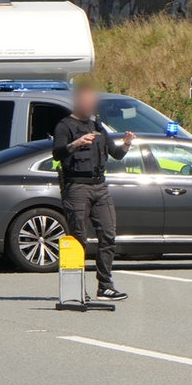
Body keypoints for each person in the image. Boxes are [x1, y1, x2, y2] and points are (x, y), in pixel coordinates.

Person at [52, 83, 136, 301]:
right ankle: (77, 288)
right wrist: (76, 143)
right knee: (78, 238)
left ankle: (105, 286)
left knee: (108, 234)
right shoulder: (65, 126)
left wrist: (126, 144)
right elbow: (57, 153)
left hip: (100, 186)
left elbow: (116, 154)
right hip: (76, 187)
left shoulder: (97, 125)